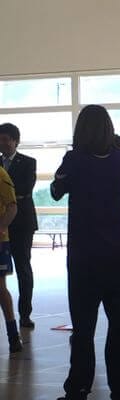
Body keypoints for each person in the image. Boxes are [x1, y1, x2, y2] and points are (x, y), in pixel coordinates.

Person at [51, 105, 120, 400]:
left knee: (83, 329)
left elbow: (56, 191)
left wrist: (61, 178)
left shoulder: (74, 160)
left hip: (85, 257)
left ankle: (78, 392)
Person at [0, 123, 37, 329]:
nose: (3, 143)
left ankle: (25, 314)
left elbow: (25, 188)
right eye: (0, 139)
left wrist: (5, 191)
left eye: (6, 139)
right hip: (2, 222)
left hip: (22, 223)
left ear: (16, 141)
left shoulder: (28, 162)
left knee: (23, 267)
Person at [0, 164, 20, 353]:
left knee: (0, 288)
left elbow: (12, 207)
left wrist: (1, 227)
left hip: (0, 241)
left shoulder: (1, 174)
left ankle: (13, 335)